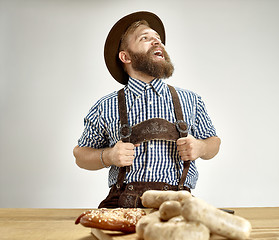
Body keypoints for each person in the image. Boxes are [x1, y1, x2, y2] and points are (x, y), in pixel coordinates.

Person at [73, 11, 221, 208]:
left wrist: (201, 147)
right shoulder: (105, 106)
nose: (156, 42)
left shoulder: (190, 100)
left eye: (158, 39)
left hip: (178, 204)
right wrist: (108, 156)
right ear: (125, 56)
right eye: (145, 38)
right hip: (122, 203)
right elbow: (80, 155)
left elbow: (214, 143)